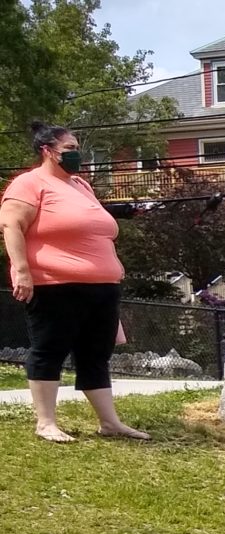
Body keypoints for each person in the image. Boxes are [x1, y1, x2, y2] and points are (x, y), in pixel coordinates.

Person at [2, 121, 149, 442]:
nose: (76, 154)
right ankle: (46, 423)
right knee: (49, 349)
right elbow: (11, 226)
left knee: (96, 354)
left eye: (77, 148)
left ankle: (110, 422)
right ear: (47, 151)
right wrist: (22, 271)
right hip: (54, 284)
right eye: (69, 149)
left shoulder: (81, 185)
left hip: (102, 287)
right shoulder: (29, 183)